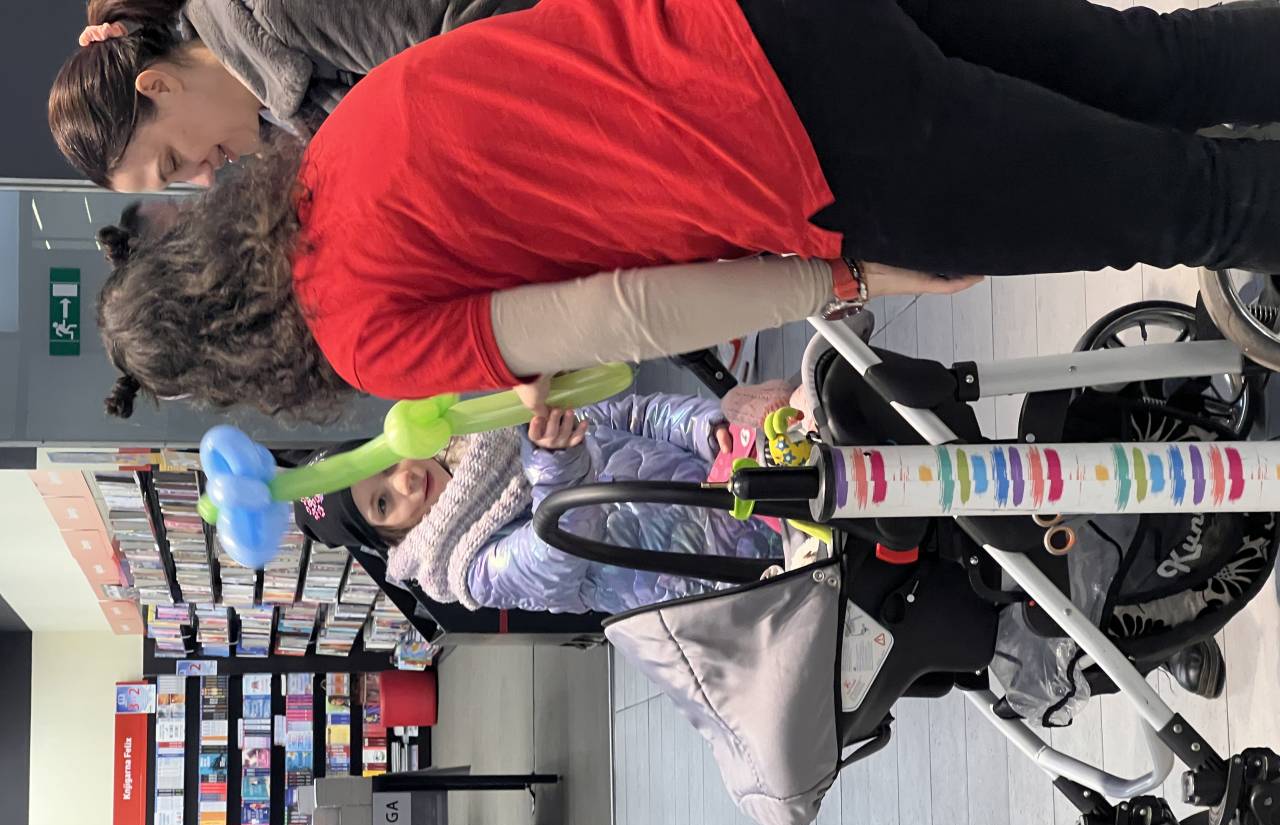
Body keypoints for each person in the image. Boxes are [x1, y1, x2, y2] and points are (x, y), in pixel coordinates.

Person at [87, 0, 1280, 422]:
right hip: (752, 19)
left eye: (170, 165)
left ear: (237, 364)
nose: (198, 177)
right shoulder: (337, 139)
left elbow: (628, 312)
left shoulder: (362, 338)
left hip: (797, 142)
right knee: (1151, 66)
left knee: (1187, 207)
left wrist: (846, 283)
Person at [293, 393, 782, 615]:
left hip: (742, 477)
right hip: (731, 577)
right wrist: (556, 464)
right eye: (383, 503)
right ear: (388, 536)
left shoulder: (493, 431)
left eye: (386, 464)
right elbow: (554, 556)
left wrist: (703, 430)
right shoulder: (461, 568)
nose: (404, 480)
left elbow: (632, 415)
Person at [49, 0, 536, 192]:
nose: (204, 177)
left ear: (158, 85)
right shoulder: (284, 122)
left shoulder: (280, 11)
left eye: (173, 162)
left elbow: (494, 27)